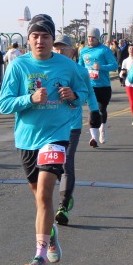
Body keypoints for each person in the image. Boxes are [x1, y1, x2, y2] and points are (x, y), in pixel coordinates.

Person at [0, 15, 89, 265]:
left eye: (45, 36)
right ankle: (51, 235)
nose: (40, 41)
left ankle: (39, 258)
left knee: (46, 192)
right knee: (40, 198)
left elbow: (83, 93)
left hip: (57, 135)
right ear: (28, 39)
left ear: (52, 39)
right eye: (35, 36)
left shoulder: (68, 66)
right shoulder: (18, 66)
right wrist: (30, 98)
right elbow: (4, 104)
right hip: (27, 139)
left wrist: (74, 96)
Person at [52, 34, 98, 227]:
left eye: (63, 48)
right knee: (52, 166)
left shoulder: (80, 71)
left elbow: (89, 93)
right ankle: (63, 192)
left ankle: (63, 205)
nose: (59, 51)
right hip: (50, 126)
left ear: (72, 51)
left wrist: (95, 112)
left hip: (72, 126)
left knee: (66, 162)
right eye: (56, 48)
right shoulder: (48, 70)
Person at [80, 27, 118, 147]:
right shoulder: (83, 51)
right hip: (90, 86)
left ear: (98, 38)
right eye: (89, 37)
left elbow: (114, 65)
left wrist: (101, 67)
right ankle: (93, 137)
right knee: (93, 110)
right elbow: (80, 66)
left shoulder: (104, 50)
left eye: (93, 37)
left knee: (101, 110)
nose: (90, 39)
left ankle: (102, 129)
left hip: (103, 86)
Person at [119, 43, 133, 125]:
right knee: (132, 102)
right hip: (129, 83)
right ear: (128, 50)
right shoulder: (125, 61)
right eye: (130, 49)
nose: (131, 50)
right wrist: (123, 74)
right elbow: (121, 73)